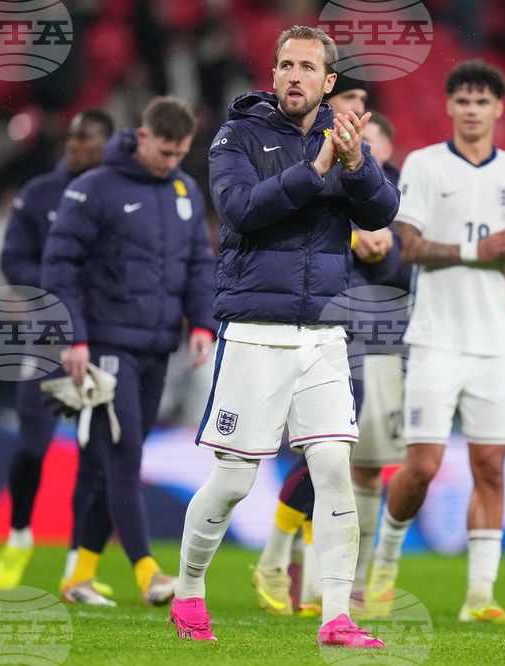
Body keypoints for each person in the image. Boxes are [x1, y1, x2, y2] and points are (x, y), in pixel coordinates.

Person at [169, 25, 398, 647]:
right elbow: (240, 209)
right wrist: (317, 168)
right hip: (255, 330)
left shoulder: (344, 138)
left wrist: (355, 166)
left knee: (333, 468)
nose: (294, 76)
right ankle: (188, 592)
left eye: (307, 67)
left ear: (328, 81)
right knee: (234, 480)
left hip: (324, 331)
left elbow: (382, 212)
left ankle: (335, 618)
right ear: (273, 74)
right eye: (286, 65)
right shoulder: (236, 135)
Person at [367, 60, 505, 624]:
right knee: (422, 466)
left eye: (481, 101)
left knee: (491, 466)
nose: (472, 110)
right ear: (449, 106)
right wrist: (479, 249)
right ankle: (384, 566)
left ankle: (480, 597)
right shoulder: (425, 164)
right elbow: (408, 245)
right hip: (435, 339)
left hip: (492, 343)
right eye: (463, 100)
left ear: (498, 109)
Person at [42, 97, 217, 607]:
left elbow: (198, 263)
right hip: (105, 347)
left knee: (109, 462)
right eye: (164, 151)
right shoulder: (94, 189)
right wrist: (74, 338)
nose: (171, 162)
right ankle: (148, 572)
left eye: (180, 153)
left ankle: (79, 578)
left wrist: (201, 323)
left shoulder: (184, 190)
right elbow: (59, 267)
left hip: (158, 349)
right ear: (143, 138)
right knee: (125, 455)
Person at [249, 80, 402, 619]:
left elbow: (394, 269)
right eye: (346, 112)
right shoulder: (301, 161)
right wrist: (356, 240)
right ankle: (276, 559)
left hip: (355, 331)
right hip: (303, 319)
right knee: (311, 452)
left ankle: (310, 582)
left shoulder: (377, 183)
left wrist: (379, 248)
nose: (351, 123)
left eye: (362, 117)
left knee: (332, 454)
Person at [0, 109, 115, 592]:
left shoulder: (119, 194)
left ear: (107, 145)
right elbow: (12, 260)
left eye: (86, 139)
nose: (74, 144)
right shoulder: (40, 193)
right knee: (31, 448)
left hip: (102, 338)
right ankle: (19, 533)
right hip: (46, 337)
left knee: (95, 456)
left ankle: (75, 567)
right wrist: (61, 287)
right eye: (72, 136)